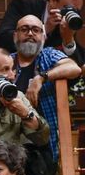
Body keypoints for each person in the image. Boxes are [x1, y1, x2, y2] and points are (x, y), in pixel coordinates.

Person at [11, 15, 81, 161]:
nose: (30, 33)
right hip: (11, 144)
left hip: (46, 148)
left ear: (43, 36)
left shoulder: (48, 55)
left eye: (35, 30)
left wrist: (41, 77)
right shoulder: (7, 62)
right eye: (24, 29)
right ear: (15, 35)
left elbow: (74, 68)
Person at [0, 0, 85, 65]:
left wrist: (68, 40)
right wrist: (44, 29)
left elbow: (77, 62)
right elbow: (2, 39)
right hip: (10, 63)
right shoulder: (24, 3)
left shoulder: (70, 20)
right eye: (68, 8)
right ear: (53, 0)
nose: (71, 13)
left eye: (76, 11)